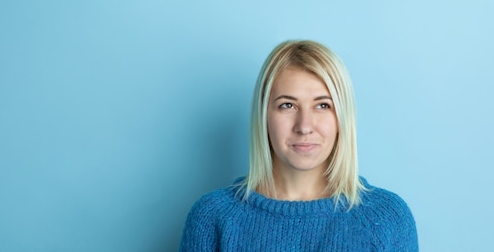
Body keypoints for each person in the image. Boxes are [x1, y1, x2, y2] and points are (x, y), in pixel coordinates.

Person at [179, 40, 418, 251]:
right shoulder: (212, 218)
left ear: (342, 119)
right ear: (264, 116)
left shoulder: (387, 218)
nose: (304, 126)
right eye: (287, 105)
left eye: (323, 105)